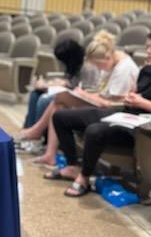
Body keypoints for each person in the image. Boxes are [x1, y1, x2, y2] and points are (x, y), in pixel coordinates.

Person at [49, 27, 151, 197]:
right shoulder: (147, 70)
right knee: (61, 117)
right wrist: (131, 97)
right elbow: (136, 95)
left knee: (94, 130)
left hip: (142, 129)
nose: (148, 51)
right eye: (147, 46)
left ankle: (84, 178)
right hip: (125, 115)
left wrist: (143, 102)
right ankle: (72, 166)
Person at [31, 31, 139, 168]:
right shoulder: (111, 62)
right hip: (102, 103)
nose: (99, 69)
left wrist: (84, 94)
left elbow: (113, 103)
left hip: (113, 111)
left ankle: (38, 134)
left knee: (61, 99)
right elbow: (103, 93)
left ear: (107, 57)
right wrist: (84, 94)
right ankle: (49, 153)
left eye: (99, 66)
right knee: (59, 103)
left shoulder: (124, 69)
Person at [16, 38, 99, 153]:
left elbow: (87, 91)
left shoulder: (89, 68)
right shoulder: (74, 65)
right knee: (35, 94)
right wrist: (52, 84)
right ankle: (29, 132)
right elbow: (70, 81)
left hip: (81, 100)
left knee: (44, 100)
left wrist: (66, 85)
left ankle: (38, 137)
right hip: (69, 93)